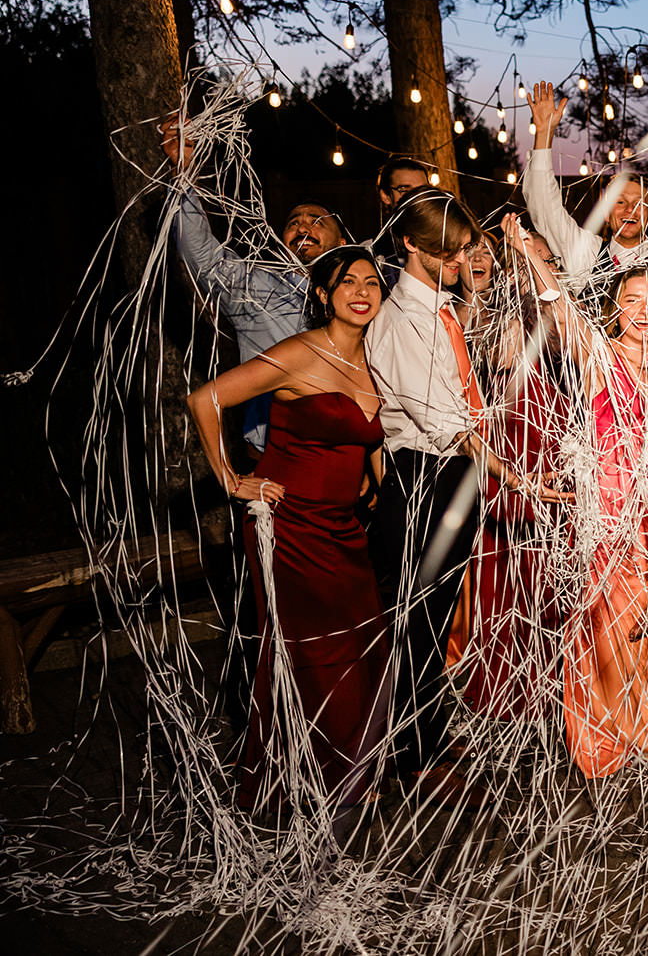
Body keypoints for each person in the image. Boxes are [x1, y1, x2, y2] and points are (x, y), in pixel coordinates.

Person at [185, 246, 390, 821]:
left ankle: (345, 774)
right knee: (315, 656)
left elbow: (363, 435)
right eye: (347, 281)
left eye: (372, 282)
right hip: (292, 527)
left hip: (345, 529)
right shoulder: (299, 353)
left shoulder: (367, 358)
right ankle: (311, 785)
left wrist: (371, 483)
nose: (361, 290)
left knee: (361, 648)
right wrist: (232, 479)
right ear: (323, 294)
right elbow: (205, 399)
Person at [365, 189, 529, 807]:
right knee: (410, 622)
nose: (462, 260)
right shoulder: (400, 319)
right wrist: (515, 477)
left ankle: (425, 737)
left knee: (434, 620)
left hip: (457, 472)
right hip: (423, 478)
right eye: (450, 251)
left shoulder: (444, 310)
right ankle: (403, 760)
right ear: (409, 244)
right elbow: (441, 422)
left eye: (464, 248)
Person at [504, 231, 648, 780]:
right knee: (606, 621)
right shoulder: (600, 355)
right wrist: (533, 255)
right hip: (607, 510)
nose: (646, 312)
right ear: (614, 307)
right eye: (633, 301)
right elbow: (560, 311)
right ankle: (602, 739)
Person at [162, 116, 349, 449]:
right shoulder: (255, 288)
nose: (303, 225)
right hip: (279, 456)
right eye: (294, 221)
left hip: (351, 455)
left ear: (340, 241)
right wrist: (183, 174)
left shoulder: (360, 293)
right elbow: (203, 256)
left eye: (316, 220)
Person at [454, 219, 576, 723]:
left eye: (490, 248)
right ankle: (503, 697)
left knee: (547, 575)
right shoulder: (455, 318)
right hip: (496, 448)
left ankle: (551, 693)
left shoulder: (535, 312)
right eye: (470, 249)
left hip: (545, 438)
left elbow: (554, 339)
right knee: (497, 575)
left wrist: (527, 255)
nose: (480, 257)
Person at [522, 81, 648, 285]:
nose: (630, 209)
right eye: (620, 202)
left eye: (639, 203)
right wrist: (544, 134)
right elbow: (545, 209)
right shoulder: (586, 253)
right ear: (606, 212)